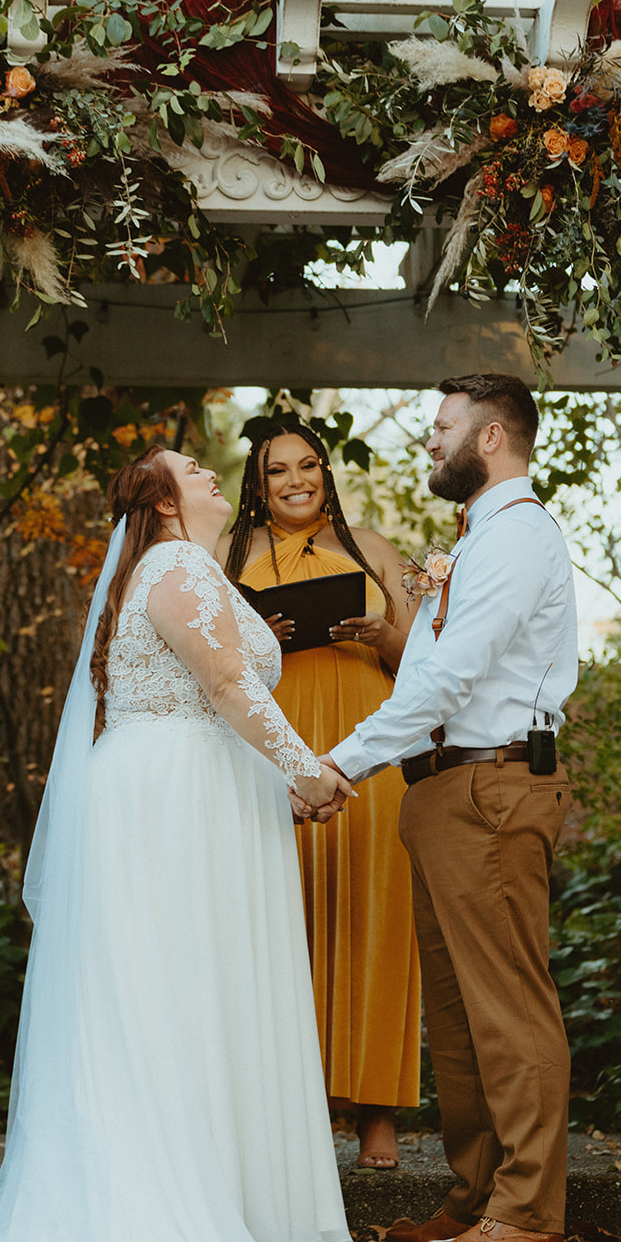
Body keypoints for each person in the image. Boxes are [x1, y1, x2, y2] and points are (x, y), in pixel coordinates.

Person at [0, 446, 352, 1242]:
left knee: (179, 993)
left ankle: (218, 1193)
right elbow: (229, 687)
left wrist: (282, 776)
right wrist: (307, 770)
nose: (212, 470)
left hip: (187, 788)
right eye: (192, 465)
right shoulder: (178, 563)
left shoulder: (183, 568)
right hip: (172, 800)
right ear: (160, 499)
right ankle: (171, 1215)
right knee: (172, 996)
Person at [310, 374, 578, 1242]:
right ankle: (476, 1196)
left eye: (443, 427)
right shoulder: (470, 541)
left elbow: (446, 681)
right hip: (438, 790)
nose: (430, 441)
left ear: (492, 437)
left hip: (491, 787)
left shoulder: (519, 536)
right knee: (458, 1019)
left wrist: (339, 762)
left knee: (508, 1006)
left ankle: (529, 1207)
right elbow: (421, 669)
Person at [219, 422, 422, 1171]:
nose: (296, 480)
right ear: (258, 482)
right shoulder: (228, 556)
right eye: (279, 471)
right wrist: (256, 640)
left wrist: (378, 634)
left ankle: (375, 1112)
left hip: (368, 751)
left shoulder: (370, 547)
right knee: (278, 918)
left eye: (309, 465)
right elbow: (207, 663)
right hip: (274, 747)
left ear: (326, 473)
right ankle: (286, 1108)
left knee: (375, 918)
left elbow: (422, 664)